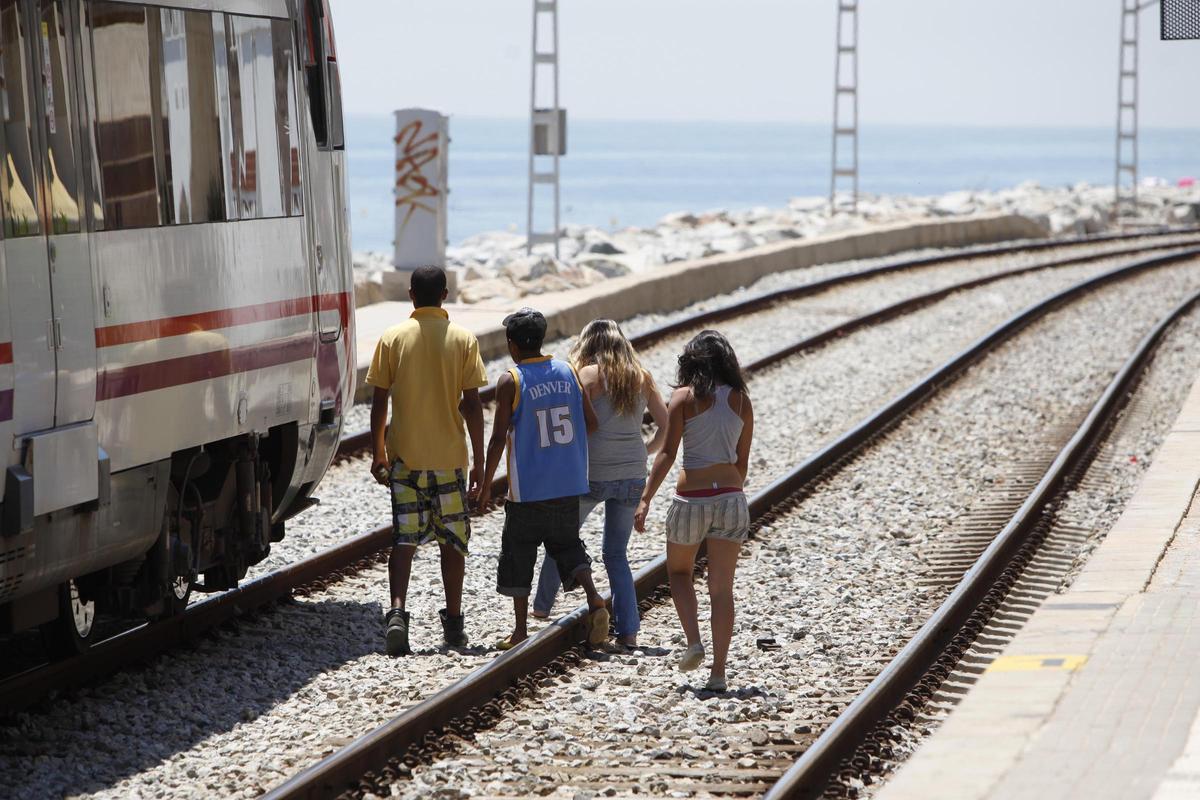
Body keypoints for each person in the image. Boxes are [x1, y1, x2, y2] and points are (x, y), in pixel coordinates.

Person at [367, 266, 488, 656]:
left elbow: (380, 401)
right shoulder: (463, 339)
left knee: (404, 540)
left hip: (405, 458)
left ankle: (398, 614)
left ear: (411, 295)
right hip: (450, 458)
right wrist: (481, 462)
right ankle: (453, 624)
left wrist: (379, 452)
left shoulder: (392, 338)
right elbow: (472, 405)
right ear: (446, 295)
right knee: (452, 541)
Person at [478, 307, 611, 650]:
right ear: (541, 340)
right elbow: (591, 423)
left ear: (512, 344)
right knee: (566, 545)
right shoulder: (569, 372)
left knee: (518, 553)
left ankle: (520, 630)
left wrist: (483, 486)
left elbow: (497, 439)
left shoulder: (511, 380)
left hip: (528, 491)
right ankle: (595, 598)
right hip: (568, 485)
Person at [530, 320, 668, 647]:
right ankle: (630, 634)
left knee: (562, 538)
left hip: (592, 473)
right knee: (616, 554)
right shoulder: (642, 377)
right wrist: (644, 451)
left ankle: (540, 608)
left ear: (587, 344)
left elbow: (572, 425)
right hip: (633, 472)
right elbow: (666, 425)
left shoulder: (587, 376)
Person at [634, 330, 754, 692]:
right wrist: (727, 491)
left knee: (680, 573)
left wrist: (646, 498)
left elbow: (667, 453)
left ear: (691, 362)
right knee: (722, 589)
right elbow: (742, 462)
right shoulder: (741, 401)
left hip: (691, 499)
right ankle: (719, 672)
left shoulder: (683, 398)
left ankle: (694, 642)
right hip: (732, 498)